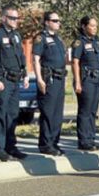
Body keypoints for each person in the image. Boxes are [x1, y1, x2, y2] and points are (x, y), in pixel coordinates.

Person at [0, 6, 30, 161]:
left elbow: (21, 56)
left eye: (17, 18)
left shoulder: (16, 35)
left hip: (15, 80)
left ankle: (11, 146)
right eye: (12, 18)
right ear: (4, 18)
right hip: (3, 81)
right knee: (0, 115)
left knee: (12, 114)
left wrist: (24, 74)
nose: (15, 21)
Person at [34, 11, 67, 155]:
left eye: (59, 20)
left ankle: (54, 142)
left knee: (57, 114)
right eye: (55, 20)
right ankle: (45, 144)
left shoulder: (58, 39)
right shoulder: (41, 38)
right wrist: (40, 79)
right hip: (49, 78)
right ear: (47, 22)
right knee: (48, 112)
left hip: (60, 79)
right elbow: (35, 59)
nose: (58, 23)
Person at [72, 16, 99, 151]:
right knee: (85, 110)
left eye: (96, 26)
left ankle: (91, 138)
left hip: (98, 79)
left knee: (92, 110)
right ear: (84, 27)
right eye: (91, 26)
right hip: (86, 79)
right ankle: (84, 140)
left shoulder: (96, 41)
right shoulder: (80, 42)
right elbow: (75, 62)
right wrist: (78, 82)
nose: (94, 28)